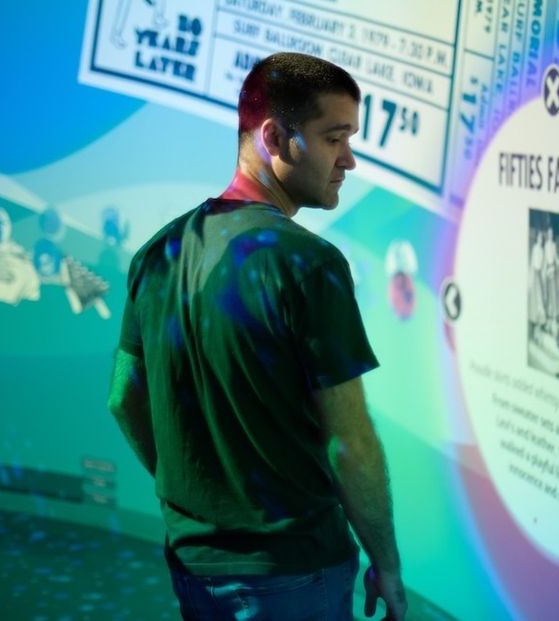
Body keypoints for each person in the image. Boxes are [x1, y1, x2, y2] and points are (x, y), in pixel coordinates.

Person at [107, 52, 407, 621]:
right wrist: (386, 563)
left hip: (194, 567)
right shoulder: (308, 264)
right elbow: (350, 444)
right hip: (296, 574)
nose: (350, 159)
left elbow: (123, 399)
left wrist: (193, 499)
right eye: (334, 138)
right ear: (274, 136)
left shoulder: (157, 255)